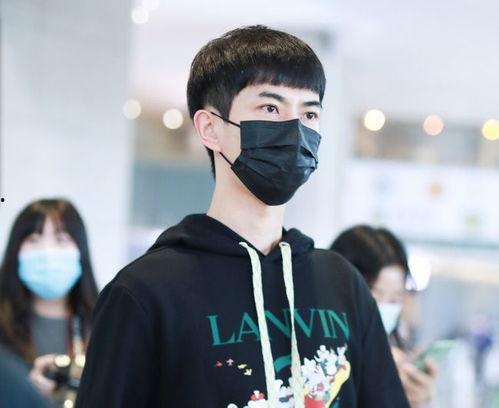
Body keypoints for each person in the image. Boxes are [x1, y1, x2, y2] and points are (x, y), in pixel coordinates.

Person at [76, 25, 409, 408]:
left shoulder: (342, 284)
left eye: (309, 113)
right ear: (210, 128)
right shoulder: (145, 292)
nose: (295, 130)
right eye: (270, 108)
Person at [0, 198, 99, 402]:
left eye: (61, 239)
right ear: (15, 250)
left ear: (81, 250)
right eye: (33, 239)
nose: (47, 251)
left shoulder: (103, 325)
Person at [331, 225, 438, 407]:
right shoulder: (321, 359)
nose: (385, 308)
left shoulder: (397, 360)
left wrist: (413, 399)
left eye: (395, 299)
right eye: (374, 297)